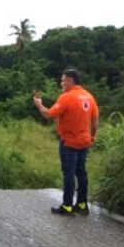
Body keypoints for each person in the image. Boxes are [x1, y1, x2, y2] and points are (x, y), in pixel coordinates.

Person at [33, 69, 99, 215]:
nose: (61, 83)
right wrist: (92, 137)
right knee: (81, 173)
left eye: (63, 80)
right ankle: (82, 204)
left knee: (68, 173)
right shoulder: (89, 97)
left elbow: (49, 114)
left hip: (69, 142)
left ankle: (67, 206)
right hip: (85, 142)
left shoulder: (66, 97)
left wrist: (39, 105)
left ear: (70, 81)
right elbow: (94, 121)